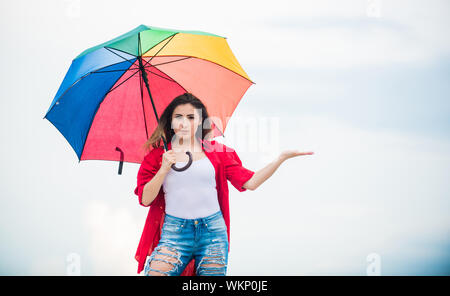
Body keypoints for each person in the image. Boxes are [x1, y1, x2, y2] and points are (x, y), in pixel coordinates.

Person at [134, 93, 314, 276]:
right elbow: (145, 199)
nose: (184, 122)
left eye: (190, 117)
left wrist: (281, 158)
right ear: (170, 121)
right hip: (175, 233)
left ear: (200, 122)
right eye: (178, 117)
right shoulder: (157, 157)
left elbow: (250, 183)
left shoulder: (218, 153)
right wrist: (164, 168)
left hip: (212, 232)